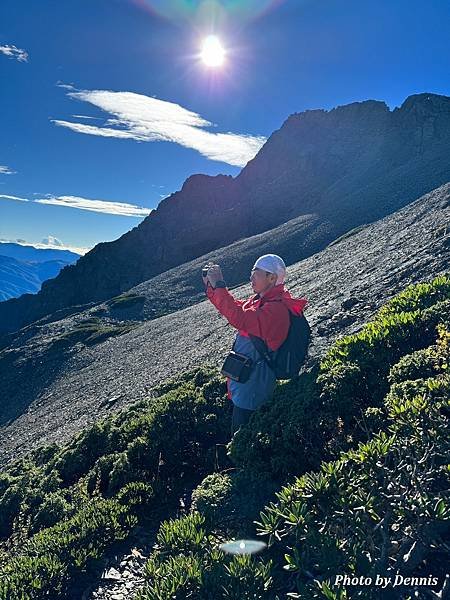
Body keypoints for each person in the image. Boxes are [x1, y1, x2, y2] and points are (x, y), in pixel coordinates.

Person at [202, 254, 308, 435]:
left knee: (242, 440)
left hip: (253, 389)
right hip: (245, 383)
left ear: (272, 277)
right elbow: (233, 307)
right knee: (240, 435)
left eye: (256, 273)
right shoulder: (260, 301)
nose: (251, 277)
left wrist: (219, 285)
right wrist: (211, 286)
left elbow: (239, 318)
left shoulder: (276, 309)